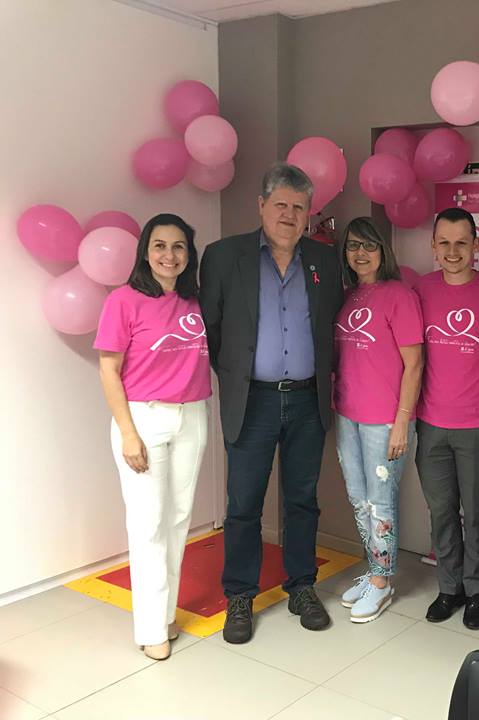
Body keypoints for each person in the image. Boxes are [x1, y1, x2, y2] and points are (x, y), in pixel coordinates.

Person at [199, 162, 343, 643]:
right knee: (243, 504)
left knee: (302, 500)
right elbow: (212, 330)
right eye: (280, 204)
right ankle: (240, 595)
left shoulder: (324, 261)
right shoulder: (224, 257)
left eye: (299, 207)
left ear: (309, 214)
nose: (289, 214)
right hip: (253, 401)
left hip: (306, 400)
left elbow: (331, 326)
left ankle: (302, 586)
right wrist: (240, 378)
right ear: (261, 205)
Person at [95, 213, 211, 661]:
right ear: (146, 251)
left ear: (189, 254)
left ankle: (164, 614)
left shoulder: (194, 300)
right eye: (160, 245)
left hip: (193, 415)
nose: (169, 255)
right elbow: (109, 370)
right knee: (148, 526)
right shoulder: (124, 301)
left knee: (178, 520)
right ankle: (149, 628)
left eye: (179, 246)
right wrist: (128, 434)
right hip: (143, 419)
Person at [414, 208, 479, 630]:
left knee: (478, 512)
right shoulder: (420, 291)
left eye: (461, 243)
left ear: (476, 244)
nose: (453, 252)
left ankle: (476, 591)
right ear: (433, 246)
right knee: (442, 512)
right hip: (431, 423)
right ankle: (448, 588)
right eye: (444, 243)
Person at [334, 217, 424, 623]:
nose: (361, 253)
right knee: (358, 498)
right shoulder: (348, 295)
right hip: (347, 414)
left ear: (383, 251)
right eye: (353, 245)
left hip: (385, 419)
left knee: (380, 501)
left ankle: (383, 583)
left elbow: (414, 364)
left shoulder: (399, 295)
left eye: (369, 245)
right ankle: (374, 570)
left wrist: (402, 421)